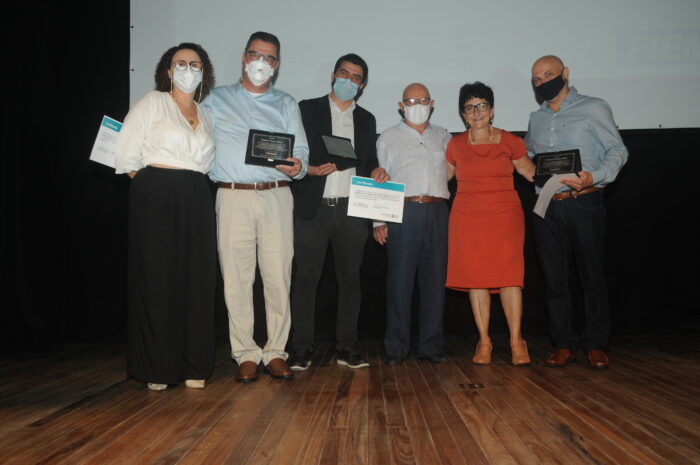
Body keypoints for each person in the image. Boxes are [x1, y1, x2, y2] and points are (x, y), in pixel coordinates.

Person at [204, 32, 309, 383]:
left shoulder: (286, 103)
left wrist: (298, 166)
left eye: (270, 58)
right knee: (236, 278)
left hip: (277, 195)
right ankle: (246, 353)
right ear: (244, 57)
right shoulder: (216, 99)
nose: (261, 63)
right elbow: (195, 138)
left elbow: (303, 153)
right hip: (232, 195)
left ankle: (276, 351)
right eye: (256, 54)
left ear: (277, 65)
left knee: (278, 276)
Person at [115, 43, 217, 391]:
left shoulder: (207, 114)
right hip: (157, 193)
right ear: (169, 71)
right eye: (181, 63)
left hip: (198, 195)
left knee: (197, 280)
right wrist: (153, 190)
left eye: (196, 64)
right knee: (159, 280)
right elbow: (127, 156)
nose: (189, 69)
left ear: (204, 72)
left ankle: (193, 364)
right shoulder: (152, 102)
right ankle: (157, 367)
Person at [526, 55, 628, 369]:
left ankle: (595, 343)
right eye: (537, 79)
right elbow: (531, 155)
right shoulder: (536, 118)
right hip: (547, 205)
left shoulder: (594, 107)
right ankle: (564, 343)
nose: (543, 82)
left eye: (548, 75)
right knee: (554, 279)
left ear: (565, 74)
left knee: (591, 275)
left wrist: (594, 176)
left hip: (584, 199)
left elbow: (618, 150)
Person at [289, 54, 388, 371]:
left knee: (350, 280)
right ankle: (301, 349)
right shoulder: (307, 109)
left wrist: (377, 170)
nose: (348, 80)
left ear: (362, 85)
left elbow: (369, 158)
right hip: (312, 208)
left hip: (351, 209)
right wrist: (309, 169)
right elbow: (292, 152)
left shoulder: (367, 119)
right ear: (332, 76)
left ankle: (348, 348)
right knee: (305, 280)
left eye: (356, 77)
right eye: (344, 74)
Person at [445, 82, 535, 366]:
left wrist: (563, 174)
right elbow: (439, 180)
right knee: (476, 279)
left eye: (482, 105)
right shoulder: (455, 144)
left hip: (504, 217)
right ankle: (484, 341)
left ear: (492, 110)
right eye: (469, 107)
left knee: (510, 277)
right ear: (463, 114)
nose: (476, 112)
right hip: (467, 218)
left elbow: (531, 173)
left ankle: (516, 340)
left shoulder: (510, 141)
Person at [373, 83, 452, 366]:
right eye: (411, 100)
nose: (417, 104)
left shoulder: (444, 136)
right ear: (400, 105)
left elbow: (452, 171)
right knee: (399, 282)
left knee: (434, 282)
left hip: (437, 211)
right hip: (402, 211)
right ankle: (396, 348)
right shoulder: (388, 137)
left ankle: (431, 346)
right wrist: (378, 220)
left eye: (422, 99)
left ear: (432, 103)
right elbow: (380, 176)